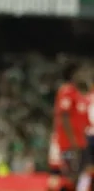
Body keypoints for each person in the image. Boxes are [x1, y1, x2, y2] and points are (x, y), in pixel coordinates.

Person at [49, 63, 89, 191]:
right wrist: (72, 141)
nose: (84, 75)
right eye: (81, 72)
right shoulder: (67, 91)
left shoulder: (77, 92)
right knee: (69, 174)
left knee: (77, 174)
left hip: (78, 140)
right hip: (67, 142)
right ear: (73, 74)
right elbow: (64, 117)